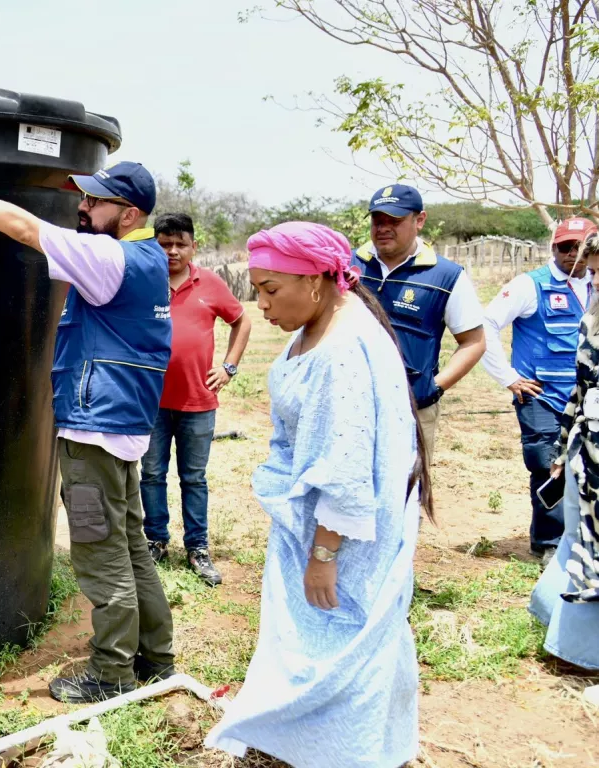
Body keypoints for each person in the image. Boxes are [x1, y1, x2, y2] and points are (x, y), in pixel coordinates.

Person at [0, 161, 175, 703]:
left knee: (99, 551)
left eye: (97, 202)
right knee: (131, 546)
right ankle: (155, 658)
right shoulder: (148, 258)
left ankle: (111, 674)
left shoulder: (109, 255)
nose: (84, 209)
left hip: (94, 428)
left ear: (130, 213)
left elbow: (24, 229)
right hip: (123, 423)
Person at [204, 222, 430, 767]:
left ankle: (348, 753)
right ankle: (329, 744)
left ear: (317, 280)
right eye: (256, 289)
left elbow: (346, 470)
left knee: (345, 644)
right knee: (339, 640)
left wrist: (323, 556)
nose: (259, 304)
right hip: (314, 520)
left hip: (343, 533)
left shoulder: (342, 351)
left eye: (269, 289)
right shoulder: (324, 325)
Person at [141, 212, 252, 585]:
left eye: (180, 244)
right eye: (164, 243)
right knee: (152, 473)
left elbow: (242, 320)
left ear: (193, 246)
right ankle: (155, 540)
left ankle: (197, 547)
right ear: (153, 243)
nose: (172, 251)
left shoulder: (211, 284)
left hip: (197, 401)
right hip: (150, 400)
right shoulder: (143, 280)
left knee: (193, 477)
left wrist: (229, 367)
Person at [481, 217, 599, 560]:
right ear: (553, 248)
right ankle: (549, 543)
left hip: (584, 398)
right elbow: (486, 325)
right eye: (565, 247)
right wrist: (508, 377)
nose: (573, 254)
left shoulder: (594, 284)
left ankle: (581, 536)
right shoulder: (529, 286)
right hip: (541, 397)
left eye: (579, 247)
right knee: (547, 463)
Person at [354, 184, 486, 462]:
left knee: (407, 494)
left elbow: (474, 343)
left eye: (395, 221)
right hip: (350, 404)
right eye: (378, 221)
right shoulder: (348, 266)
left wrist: (434, 387)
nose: (384, 228)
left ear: (420, 220)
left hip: (413, 410)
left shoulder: (446, 276)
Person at [532, 233, 599, 686]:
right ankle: (568, 642)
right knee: (578, 540)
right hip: (585, 447)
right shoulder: (591, 317)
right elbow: (580, 387)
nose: (596, 278)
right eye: (594, 270)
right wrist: (561, 449)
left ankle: (582, 653)